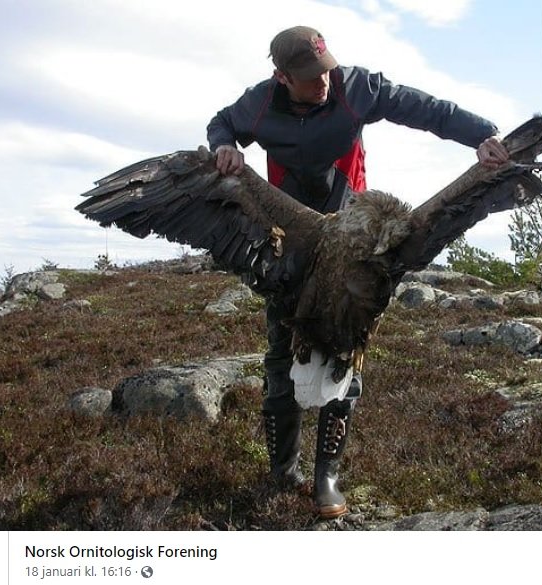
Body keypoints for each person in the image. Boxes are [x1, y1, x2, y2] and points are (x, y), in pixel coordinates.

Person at [207, 25, 509, 520]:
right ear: (282, 77)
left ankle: (327, 475)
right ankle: (283, 471)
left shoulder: (355, 88)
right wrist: (225, 145)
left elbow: (423, 107)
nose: (323, 82)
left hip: (354, 241)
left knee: (346, 354)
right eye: (309, 77)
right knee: (282, 352)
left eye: (325, 71)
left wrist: (482, 134)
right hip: (288, 244)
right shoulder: (258, 105)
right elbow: (221, 123)